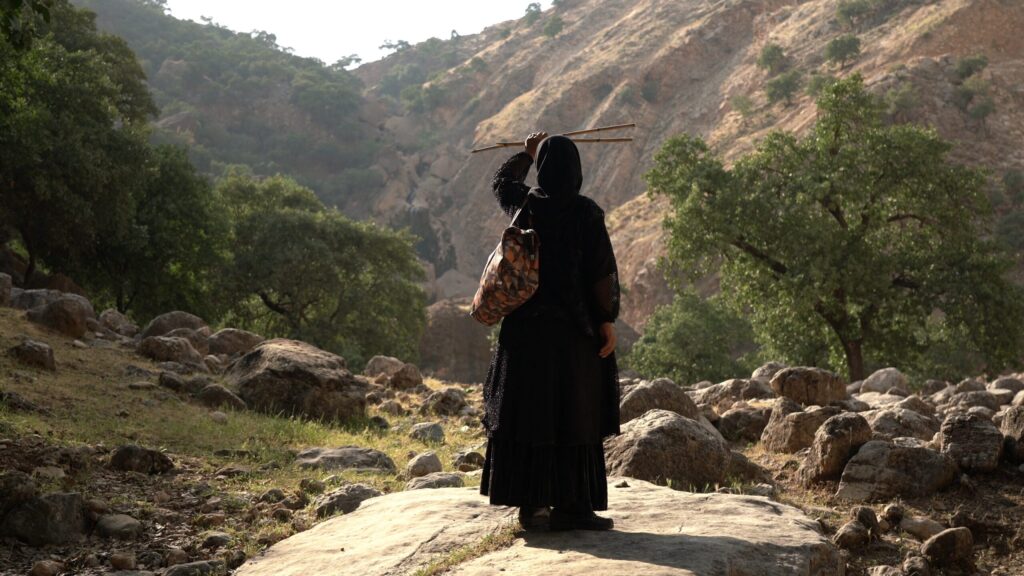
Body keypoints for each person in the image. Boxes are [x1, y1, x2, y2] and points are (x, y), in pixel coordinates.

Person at [479, 131, 621, 531]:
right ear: (577, 171)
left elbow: (501, 184)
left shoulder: (526, 205)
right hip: (576, 334)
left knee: (531, 414)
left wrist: (526, 153)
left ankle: (534, 508)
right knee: (575, 414)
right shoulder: (587, 213)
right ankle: (575, 506)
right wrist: (607, 320)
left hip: (526, 334)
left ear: (543, 170)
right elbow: (601, 274)